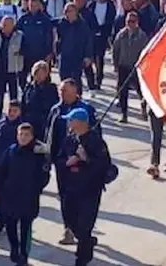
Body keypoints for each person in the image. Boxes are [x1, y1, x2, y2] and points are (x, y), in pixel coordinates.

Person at [46, 80, 100, 246]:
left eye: (66, 91)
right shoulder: (55, 110)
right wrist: (49, 159)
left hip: (82, 163)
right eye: (61, 91)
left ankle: (83, 230)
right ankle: (68, 229)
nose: (63, 94)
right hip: (62, 162)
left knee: (82, 197)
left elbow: (96, 135)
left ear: (75, 91)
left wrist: (88, 154)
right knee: (65, 197)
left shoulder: (87, 110)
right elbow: (49, 135)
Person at [57, 108, 112, 266]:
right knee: (71, 221)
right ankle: (87, 241)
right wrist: (67, 162)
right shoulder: (70, 140)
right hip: (71, 188)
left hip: (89, 190)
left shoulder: (96, 141)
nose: (69, 123)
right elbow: (59, 159)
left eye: (71, 120)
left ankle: (82, 259)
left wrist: (86, 159)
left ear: (81, 123)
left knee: (85, 224)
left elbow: (104, 166)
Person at [0, 122, 50, 266]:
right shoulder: (11, 152)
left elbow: (44, 175)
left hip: (28, 198)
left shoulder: (38, 154)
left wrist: (36, 188)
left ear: (32, 136)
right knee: (10, 225)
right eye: (20, 134)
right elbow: (0, 173)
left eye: (26, 135)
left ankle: (24, 254)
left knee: (25, 228)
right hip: (9, 196)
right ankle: (14, 248)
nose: (23, 137)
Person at [110, 11, 149, 123]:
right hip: (123, 66)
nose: (130, 24)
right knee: (122, 91)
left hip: (136, 67)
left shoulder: (142, 36)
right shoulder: (121, 35)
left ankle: (144, 108)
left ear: (137, 22)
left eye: (132, 21)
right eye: (128, 21)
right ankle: (124, 114)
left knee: (141, 90)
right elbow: (115, 49)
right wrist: (115, 64)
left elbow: (145, 52)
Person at [0, 100, 24, 233]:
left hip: (14, 166)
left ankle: (8, 219)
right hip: (0, 163)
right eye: (10, 110)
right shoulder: (1, 124)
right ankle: (1, 216)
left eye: (14, 111)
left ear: (20, 112)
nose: (11, 113)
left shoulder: (22, 128)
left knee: (11, 194)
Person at [0, 16, 24, 123]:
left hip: (13, 70)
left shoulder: (19, 36)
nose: (5, 27)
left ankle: (15, 118)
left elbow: (24, 51)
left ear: (13, 25)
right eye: (3, 25)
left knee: (14, 97)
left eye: (8, 25)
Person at [20, 60, 59, 141]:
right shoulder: (28, 87)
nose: (39, 76)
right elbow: (23, 105)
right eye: (37, 73)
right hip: (29, 122)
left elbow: (54, 106)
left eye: (42, 73)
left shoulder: (51, 88)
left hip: (44, 123)